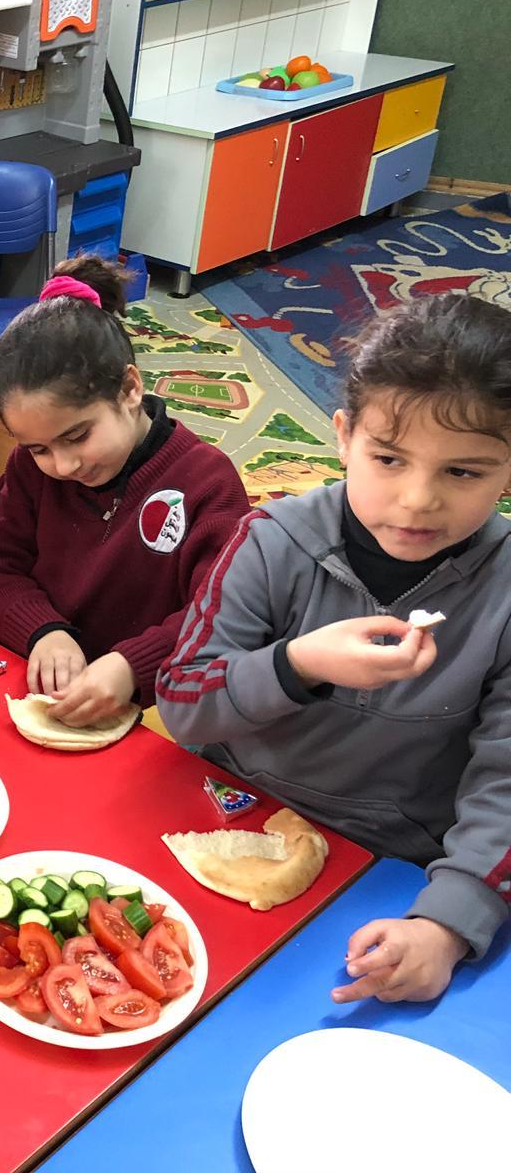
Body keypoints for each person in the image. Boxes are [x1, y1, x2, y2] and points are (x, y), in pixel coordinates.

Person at [157, 292, 511, 1004]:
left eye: (463, 472)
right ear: (345, 437)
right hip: (230, 816)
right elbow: (182, 699)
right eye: (389, 459)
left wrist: (446, 925)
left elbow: (503, 789)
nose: (417, 499)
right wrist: (298, 665)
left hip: (389, 872)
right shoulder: (271, 542)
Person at [0, 256, 251, 725]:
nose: (63, 465)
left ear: (130, 388)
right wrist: (42, 630)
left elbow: (225, 613)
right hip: (31, 682)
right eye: (39, 449)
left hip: (148, 707)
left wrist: (132, 666)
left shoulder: (206, 483)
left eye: (77, 436)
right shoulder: (30, 471)